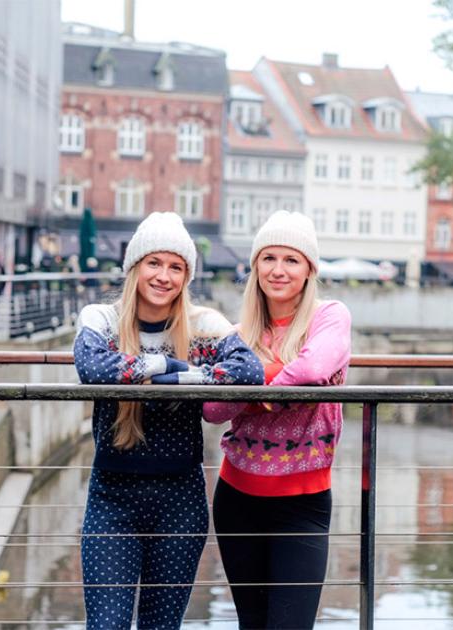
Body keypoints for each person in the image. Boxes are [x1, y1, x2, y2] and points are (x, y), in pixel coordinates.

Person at [73, 212, 264, 629]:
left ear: (186, 276)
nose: (164, 276)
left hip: (180, 500)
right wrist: (166, 363)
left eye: (176, 267)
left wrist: (172, 372)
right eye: (154, 263)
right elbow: (92, 367)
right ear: (134, 267)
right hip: (113, 500)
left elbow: (249, 371)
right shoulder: (101, 319)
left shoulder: (201, 325)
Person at [203, 210, 352, 629]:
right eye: (268, 258)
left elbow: (314, 370)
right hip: (237, 498)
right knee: (251, 624)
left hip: (302, 503)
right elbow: (212, 410)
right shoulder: (237, 333)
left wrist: (251, 388)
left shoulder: (330, 317)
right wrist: (280, 387)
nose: (279, 270)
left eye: (291, 259)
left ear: (309, 269)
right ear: (255, 267)